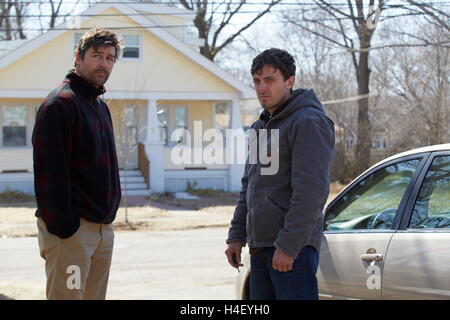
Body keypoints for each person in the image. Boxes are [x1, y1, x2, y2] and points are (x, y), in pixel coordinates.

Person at [225, 48, 335, 300]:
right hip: (259, 248)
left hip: (292, 252)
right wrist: (236, 235)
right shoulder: (259, 128)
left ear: (290, 81)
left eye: (270, 80)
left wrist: (288, 246)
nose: (262, 87)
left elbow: (311, 192)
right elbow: (248, 187)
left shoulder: (308, 121)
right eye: (257, 80)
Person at [32, 28, 122, 300]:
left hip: (102, 230)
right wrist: (66, 228)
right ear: (78, 57)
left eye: (110, 58)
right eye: (96, 55)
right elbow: (49, 174)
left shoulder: (99, 106)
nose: (103, 63)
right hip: (72, 234)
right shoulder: (60, 104)